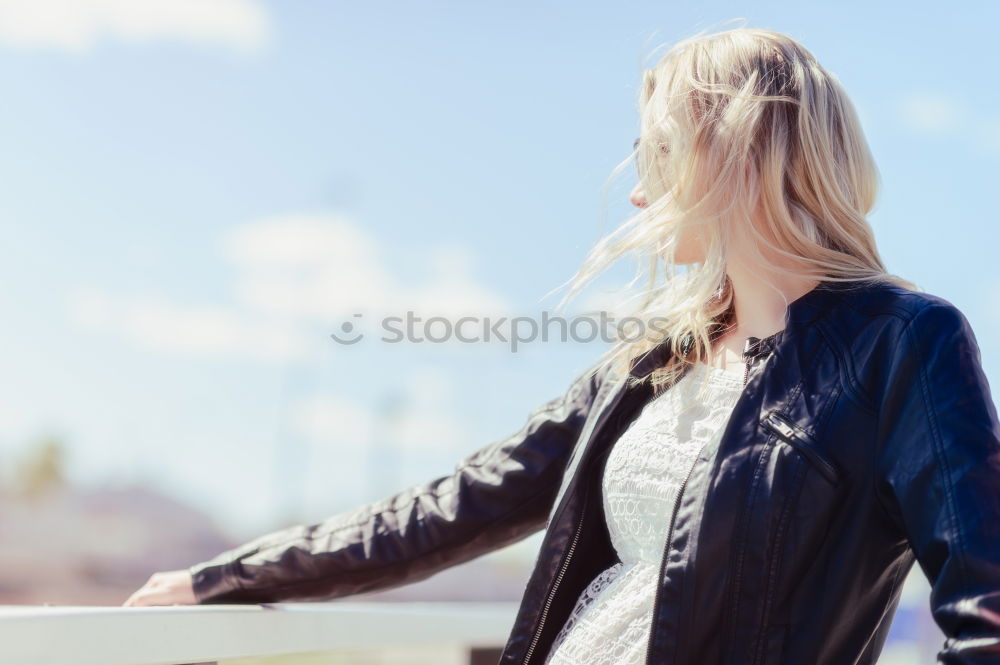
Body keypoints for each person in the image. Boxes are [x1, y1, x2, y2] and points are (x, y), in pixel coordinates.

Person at [123, 26, 1000, 665]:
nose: (638, 195)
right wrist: (227, 576)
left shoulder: (902, 342)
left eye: (655, 154)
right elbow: (448, 507)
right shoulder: (651, 366)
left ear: (726, 152)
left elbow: (983, 610)